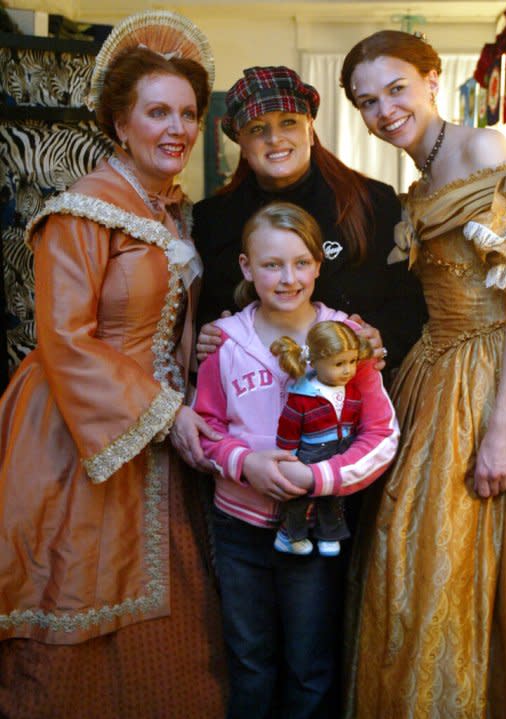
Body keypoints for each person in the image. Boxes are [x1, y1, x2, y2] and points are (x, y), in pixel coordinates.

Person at [0, 11, 227, 718]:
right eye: (157, 111)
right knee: (80, 585)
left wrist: (203, 349)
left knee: (169, 602)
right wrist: (167, 411)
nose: (178, 129)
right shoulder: (83, 210)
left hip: (155, 424)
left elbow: (158, 319)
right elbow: (67, 338)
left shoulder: (166, 210)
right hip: (80, 427)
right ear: (119, 123)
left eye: (188, 113)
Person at [340, 29, 506, 719]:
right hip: (436, 373)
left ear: (433, 79)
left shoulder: (482, 150)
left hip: (498, 376)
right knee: (421, 569)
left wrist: (503, 429)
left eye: (396, 89)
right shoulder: (420, 179)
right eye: (366, 102)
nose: (384, 111)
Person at [192, 201, 399, 719]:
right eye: (271, 265)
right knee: (250, 659)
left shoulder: (345, 340)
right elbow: (206, 429)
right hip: (238, 529)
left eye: (301, 263)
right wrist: (245, 464)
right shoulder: (226, 343)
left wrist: (319, 477)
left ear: (319, 265)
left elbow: (380, 433)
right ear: (245, 268)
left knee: (310, 665)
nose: (288, 278)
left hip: (316, 528)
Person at [193, 65, 428, 381]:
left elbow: (411, 306)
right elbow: (196, 312)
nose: (274, 139)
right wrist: (207, 332)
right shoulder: (211, 220)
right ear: (241, 142)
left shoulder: (373, 203)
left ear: (310, 127)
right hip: (248, 404)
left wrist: (380, 339)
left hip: (352, 400)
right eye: (256, 128)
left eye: (288, 122)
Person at [270, 321, 373, 557]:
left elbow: (354, 422)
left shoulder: (353, 393)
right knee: (298, 501)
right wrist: (287, 457)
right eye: (339, 364)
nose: (348, 370)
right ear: (314, 362)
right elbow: (287, 429)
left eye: (352, 361)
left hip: (339, 453)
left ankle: (329, 535)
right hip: (308, 456)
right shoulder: (303, 397)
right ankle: (290, 536)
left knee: (332, 499)